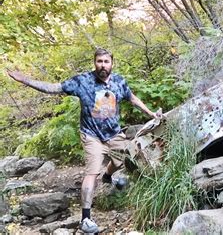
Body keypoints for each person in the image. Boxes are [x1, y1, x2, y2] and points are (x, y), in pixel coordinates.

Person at [7, 48, 161, 233]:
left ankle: (108, 176)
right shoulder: (82, 81)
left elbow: (132, 97)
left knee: (121, 160)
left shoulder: (119, 81)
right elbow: (54, 88)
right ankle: (85, 219)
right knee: (91, 173)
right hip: (92, 136)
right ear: (94, 62)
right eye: (99, 61)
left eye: (106, 61)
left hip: (114, 134)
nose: (102, 65)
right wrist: (25, 80)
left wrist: (151, 113)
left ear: (112, 63)